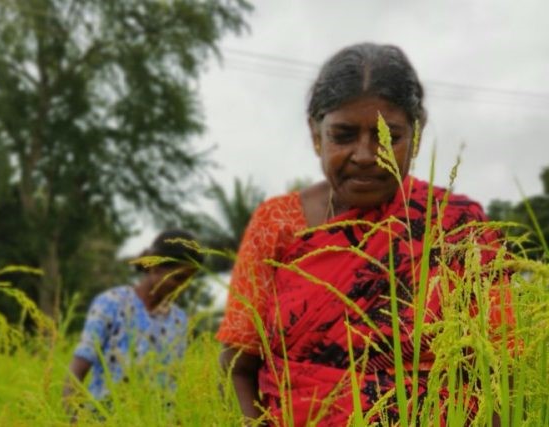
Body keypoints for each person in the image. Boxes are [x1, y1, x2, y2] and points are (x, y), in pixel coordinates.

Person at [217, 43, 510, 426]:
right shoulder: (277, 223)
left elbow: (499, 369)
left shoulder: (459, 225)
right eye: (343, 136)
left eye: (389, 136)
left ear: (416, 136)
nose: (366, 154)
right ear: (315, 134)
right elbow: (238, 365)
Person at [63, 229, 203, 411]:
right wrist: (72, 419)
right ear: (155, 268)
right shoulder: (111, 304)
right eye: (178, 278)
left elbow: (171, 384)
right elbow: (77, 370)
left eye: (189, 281)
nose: (183, 287)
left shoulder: (179, 320)